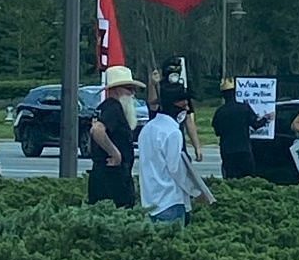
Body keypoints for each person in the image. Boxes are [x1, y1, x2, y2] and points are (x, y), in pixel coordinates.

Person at [141, 82, 211, 224]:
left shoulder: (147, 129)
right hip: (170, 201)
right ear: (175, 106)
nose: (186, 109)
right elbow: (176, 170)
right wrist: (196, 192)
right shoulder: (173, 132)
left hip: (149, 202)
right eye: (184, 105)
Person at [86, 66, 143, 208]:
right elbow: (97, 130)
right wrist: (115, 153)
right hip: (112, 178)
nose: (132, 93)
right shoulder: (113, 107)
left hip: (103, 175)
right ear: (116, 89)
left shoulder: (104, 107)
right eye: (129, 89)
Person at [211, 78, 270, 180]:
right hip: (244, 149)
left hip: (227, 151)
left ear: (223, 95)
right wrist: (266, 118)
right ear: (235, 93)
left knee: (230, 179)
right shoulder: (244, 108)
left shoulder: (219, 112)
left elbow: (217, 132)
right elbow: (256, 124)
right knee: (248, 179)